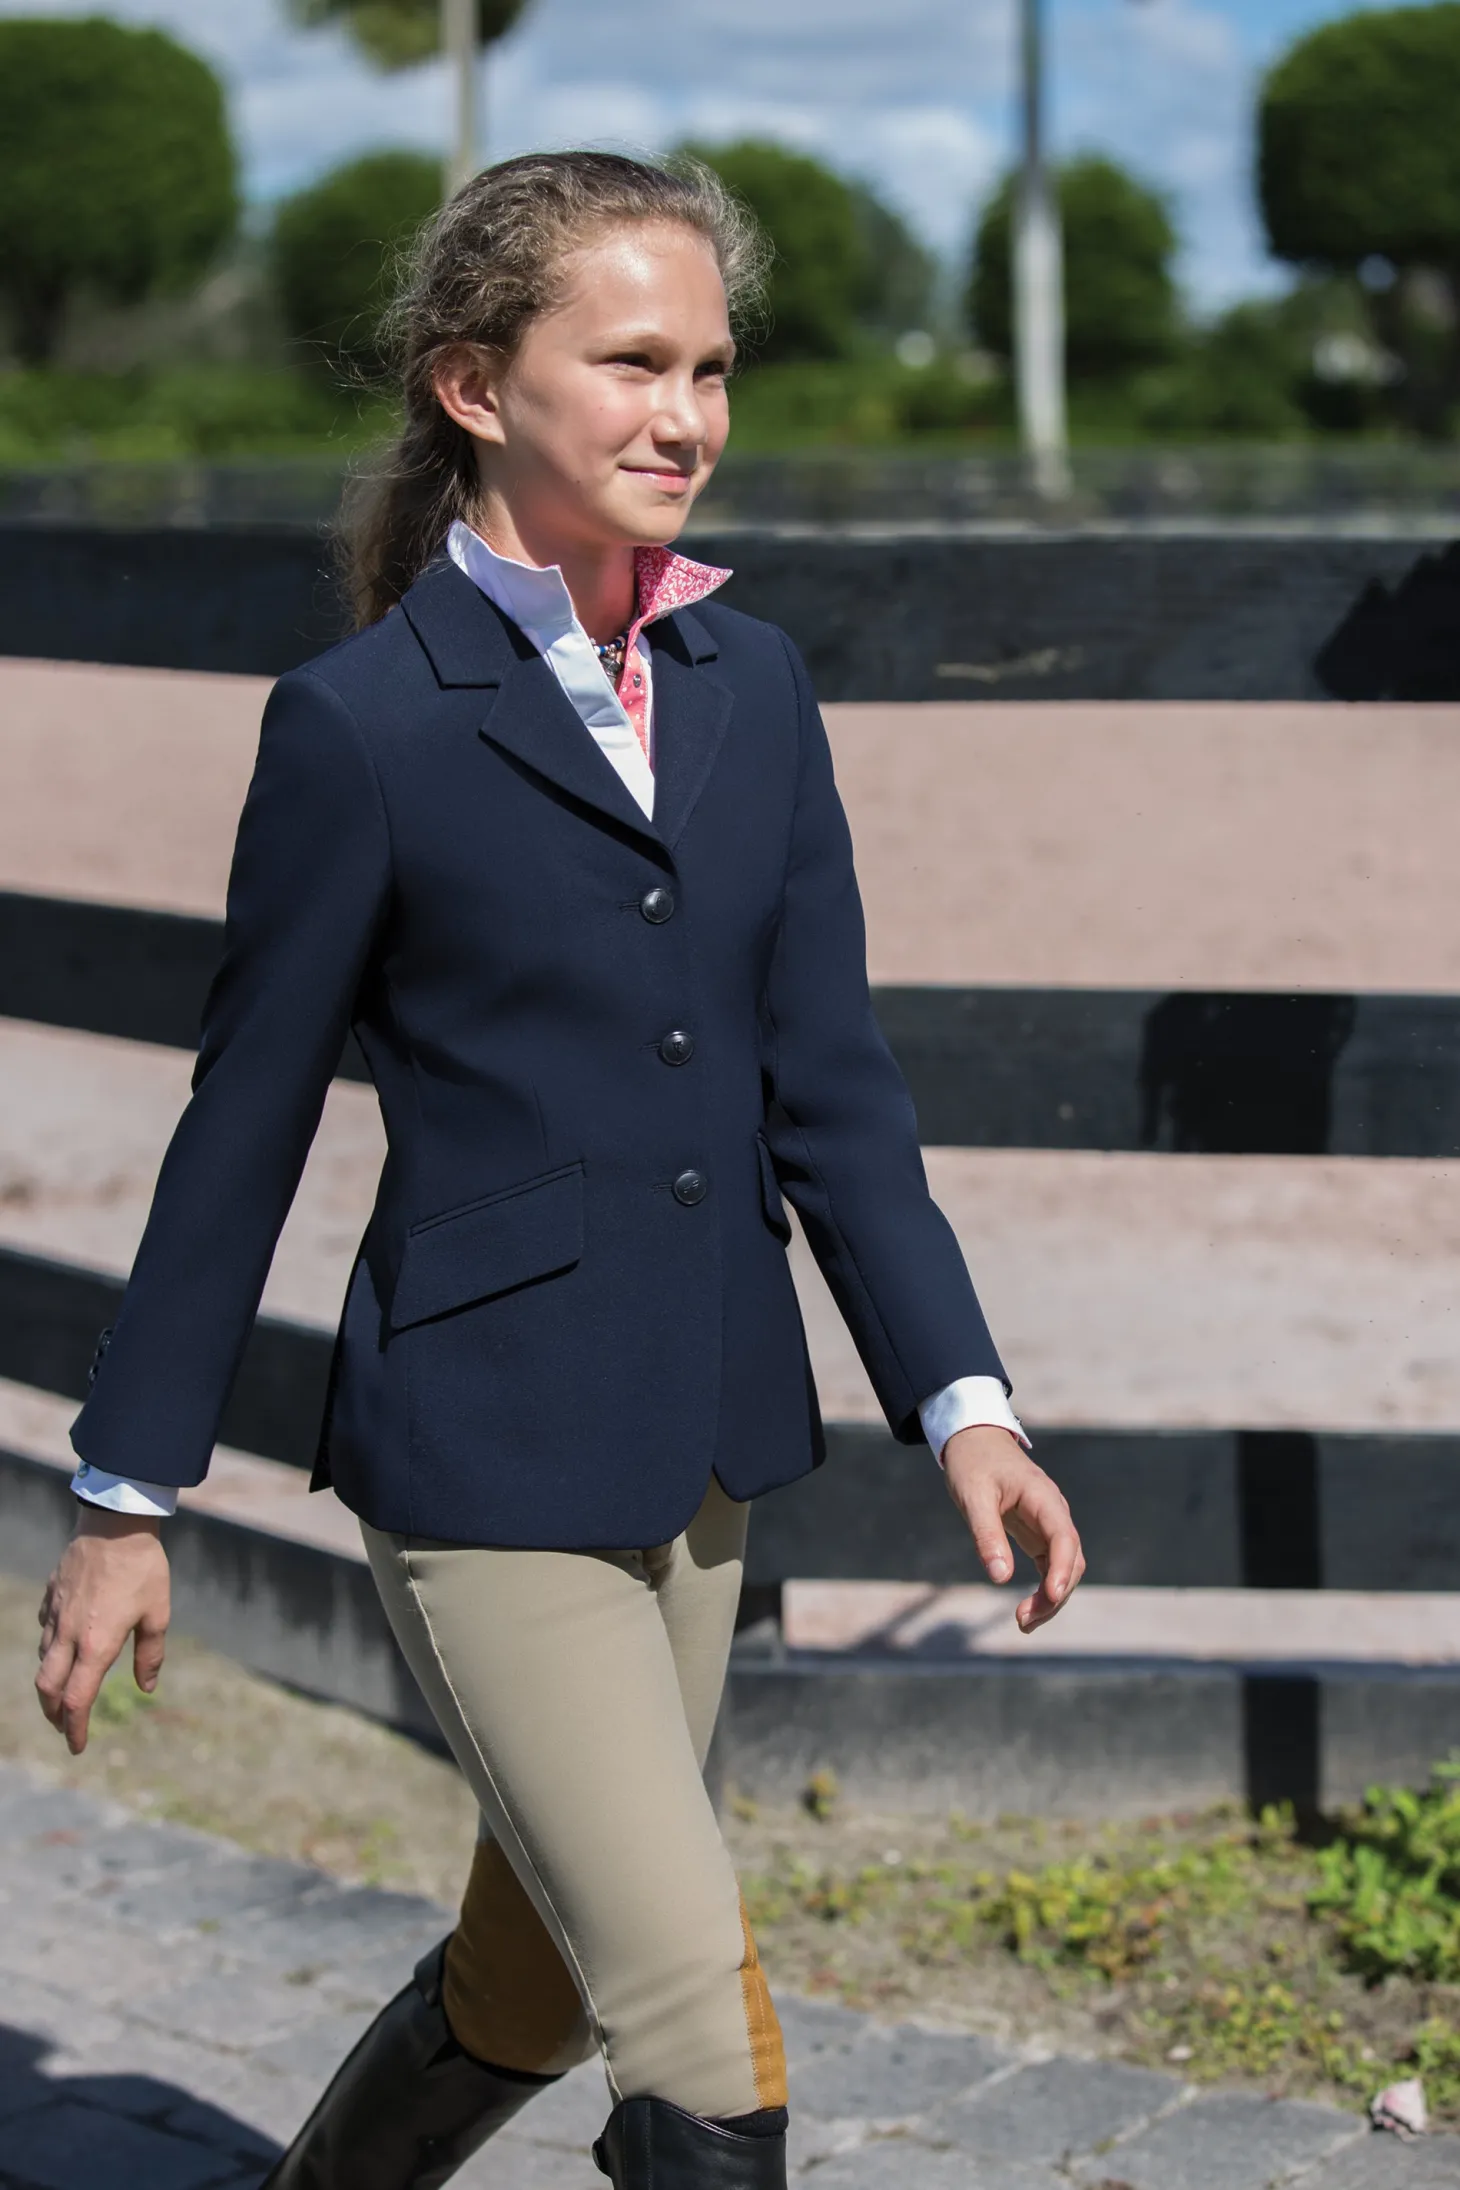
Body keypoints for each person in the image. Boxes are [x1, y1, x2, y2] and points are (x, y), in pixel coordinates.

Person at [33, 152, 1085, 2190]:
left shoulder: (755, 685)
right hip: (484, 1457)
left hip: (705, 1449)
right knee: (700, 2032)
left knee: (528, 1984)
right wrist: (124, 1494)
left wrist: (965, 1399)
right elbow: (244, 1121)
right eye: (631, 363)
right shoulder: (360, 727)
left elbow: (831, 1085)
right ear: (472, 385)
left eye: (711, 367)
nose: (686, 414)